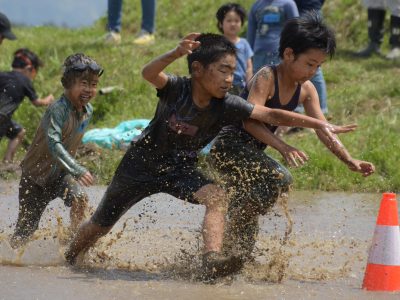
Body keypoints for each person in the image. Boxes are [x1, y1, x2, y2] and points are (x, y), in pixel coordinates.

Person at [64, 33, 355, 281]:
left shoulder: (228, 104)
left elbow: (270, 114)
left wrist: (319, 123)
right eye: (223, 71)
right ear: (198, 69)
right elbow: (148, 73)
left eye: (233, 72)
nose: (230, 79)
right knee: (101, 224)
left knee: (216, 196)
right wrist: (175, 52)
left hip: (180, 169)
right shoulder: (176, 88)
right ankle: (68, 256)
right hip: (140, 164)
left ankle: (211, 260)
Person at [208, 12, 375, 268]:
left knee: (251, 212)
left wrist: (349, 159)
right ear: (288, 54)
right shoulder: (266, 77)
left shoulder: (306, 90)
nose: (313, 71)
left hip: (253, 153)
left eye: (318, 66)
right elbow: (250, 120)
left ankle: (227, 257)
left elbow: (323, 129)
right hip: (228, 147)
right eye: (309, 64)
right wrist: (283, 146)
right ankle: (232, 225)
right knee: (280, 178)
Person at [9, 53, 103, 249]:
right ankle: (8, 259)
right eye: (84, 83)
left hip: (60, 174)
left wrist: (71, 169)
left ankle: (73, 243)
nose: (89, 90)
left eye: (93, 85)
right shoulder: (57, 109)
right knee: (24, 232)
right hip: (34, 178)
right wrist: (77, 168)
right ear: (68, 84)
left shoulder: (89, 111)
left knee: (79, 199)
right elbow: (53, 142)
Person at [0, 48, 54, 165]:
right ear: (29, 68)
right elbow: (37, 102)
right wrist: (48, 100)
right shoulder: (24, 80)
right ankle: (7, 163)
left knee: (18, 132)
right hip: (2, 118)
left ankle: (6, 164)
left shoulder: (2, 75)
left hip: (4, 119)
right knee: (19, 133)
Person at [294, 0, 328, 114]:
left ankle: (321, 109)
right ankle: (300, 108)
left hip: (308, 15)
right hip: (305, 13)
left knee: (313, 65)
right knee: (302, 63)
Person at [247, 0, 298, 73]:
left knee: (279, 82)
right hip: (259, 56)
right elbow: (250, 35)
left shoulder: (288, 4)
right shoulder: (256, 6)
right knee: (259, 83)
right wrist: (250, 56)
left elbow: (296, 30)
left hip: (280, 54)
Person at [216, 3, 253, 95]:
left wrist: (249, 84)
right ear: (221, 23)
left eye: (237, 21)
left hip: (241, 86)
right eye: (229, 21)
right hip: (222, 85)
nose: (233, 24)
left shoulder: (244, 43)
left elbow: (249, 67)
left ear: (242, 23)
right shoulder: (217, 43)